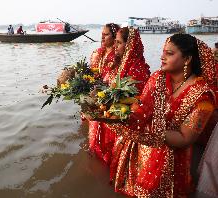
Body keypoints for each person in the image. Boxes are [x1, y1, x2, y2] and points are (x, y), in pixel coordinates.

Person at [107, 34, 216, 197]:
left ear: (187, 59)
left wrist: (149, 131)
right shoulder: (157, 78)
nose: (162, 57)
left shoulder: (203, 97)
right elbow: (141, 107)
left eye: (170, 54)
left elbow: (185, 138)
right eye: (163, 52)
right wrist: (121, 113)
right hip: (144, 149)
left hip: (172, 159)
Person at [88, 27, 150, 165]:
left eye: (119, 43)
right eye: (115, 42)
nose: (115, 46)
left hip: (123, 122)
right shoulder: (118, 63)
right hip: (110, 117)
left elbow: (138, 101)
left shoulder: (138, 68)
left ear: (129, 46)